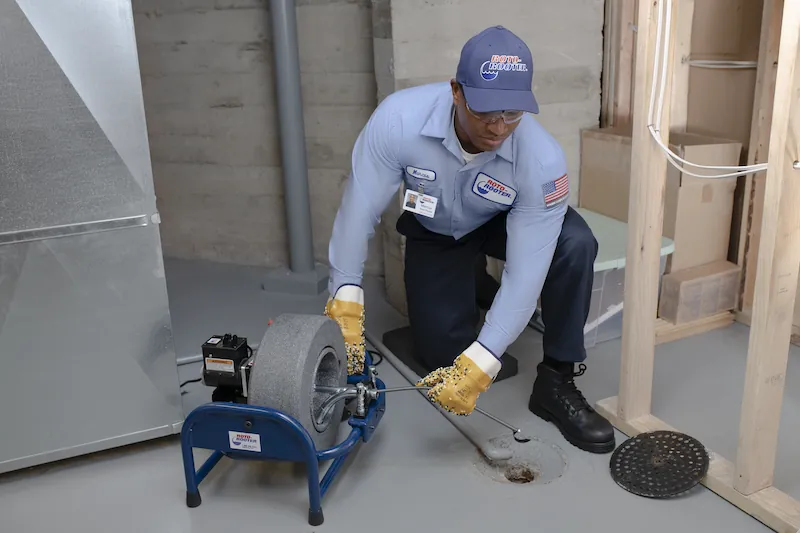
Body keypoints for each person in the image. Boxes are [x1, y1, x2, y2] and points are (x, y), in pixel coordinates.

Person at [323, 25, 615, 454]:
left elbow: (526, 269)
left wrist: (486, 356)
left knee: (574, 243)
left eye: (512, 113)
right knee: (442, 355)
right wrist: (344, 302)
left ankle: (557, 377)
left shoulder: (542, 159)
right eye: (486, 113)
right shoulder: (398, 120)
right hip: (437, 229)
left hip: (503, 222)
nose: (499, 128)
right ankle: (471, 282)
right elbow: (357, 211)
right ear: (457, 91)